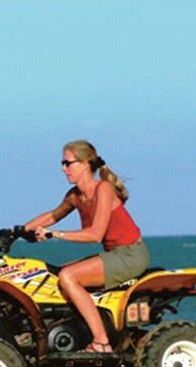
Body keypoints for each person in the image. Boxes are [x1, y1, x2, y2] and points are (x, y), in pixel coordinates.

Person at [24, 140, 150, 354]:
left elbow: (95, 234)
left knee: (69, 277)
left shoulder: (103, 189)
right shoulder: (75, 196)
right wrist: (19, 230)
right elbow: (53, 215)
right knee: (52, 275)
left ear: (84, 164)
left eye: (68, 163)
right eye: (62, 164)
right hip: (114, 254)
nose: (63, 169)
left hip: (131, 255)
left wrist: (55, 234)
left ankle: (102, 342)